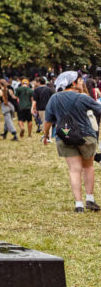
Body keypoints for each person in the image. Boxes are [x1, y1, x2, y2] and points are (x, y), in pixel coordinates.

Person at [43, 71, 101, 213]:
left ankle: (78, 204)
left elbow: (48, 121)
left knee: (74, 170)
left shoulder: (54, 98)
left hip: (65, 137)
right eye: (80, 80)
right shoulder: (82, 97)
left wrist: (46, 135)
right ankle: (90, 199)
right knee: (88, 167)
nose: (82, 82)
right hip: (86, 136)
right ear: (73, 83)